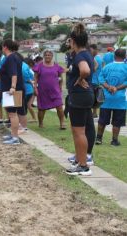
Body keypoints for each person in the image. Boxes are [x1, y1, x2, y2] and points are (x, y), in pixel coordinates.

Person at [65, 23, 95, 176]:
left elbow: (85, 70)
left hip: (79, 96)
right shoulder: (87, 54)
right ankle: (80, 160)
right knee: (79, 131)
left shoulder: (80, 55)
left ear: (73, 41)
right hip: (84, 96)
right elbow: (94, 65)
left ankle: (83, 165)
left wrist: (79, 79)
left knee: (79, 132)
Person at [95, 49, 127, 146]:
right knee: (117, 122)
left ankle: (99, 139)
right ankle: (114, 141)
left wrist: (108, 87)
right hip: (120, 99)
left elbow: (100, 78)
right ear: (125, 56)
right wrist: (116, 88)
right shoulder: (126, 67)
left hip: (107, 98)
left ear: (114, 56)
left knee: (102, 120)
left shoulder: (107, 66)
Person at [33, 49, 65, 129]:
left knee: (59, 107)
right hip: (42, 91)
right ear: (43, 56)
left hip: (55, 91)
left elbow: (61, 78)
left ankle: (62, 123)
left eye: (49, 55)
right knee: (41, 108)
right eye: (46, 55)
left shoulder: (57, 66)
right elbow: (36, 78)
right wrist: (35, 88)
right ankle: (40, 124)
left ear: (52, 56)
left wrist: (60, 87)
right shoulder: (39, 66)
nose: (47, 56)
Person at [0, 39, 24, 145]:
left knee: (13, 114)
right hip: (12, 89)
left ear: (5, 47)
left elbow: (14, 74)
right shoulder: (14, 57)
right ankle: (13, 135)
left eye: (2, 46)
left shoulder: (11, 58)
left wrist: (13, 87)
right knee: (12, 114)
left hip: (12, 90)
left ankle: (15, 138)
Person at [89, 44, 103, 118]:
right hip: (98, 80)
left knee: (92, 97)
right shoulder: (100, 58)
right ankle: (95, 113)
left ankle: (92, 113)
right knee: (96, 97)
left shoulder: (94, 59)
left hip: (92, 80)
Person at [23, 58, 37, 122]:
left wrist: (33, 86)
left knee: (26, 105)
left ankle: (25, 119)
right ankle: (34, 118)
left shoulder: (28, 69)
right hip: (30, 88)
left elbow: (32, 79)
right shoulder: (29, 69)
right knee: (29, 105)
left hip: (29, 89)